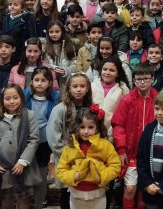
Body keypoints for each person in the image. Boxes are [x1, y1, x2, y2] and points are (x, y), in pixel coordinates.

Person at [112, 63, 159, 209]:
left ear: (153, 79)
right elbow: (118, 125)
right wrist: (121, 149)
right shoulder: (127, 100)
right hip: (131, 153)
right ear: (134, 80)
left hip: (151, 154)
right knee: (130, 188)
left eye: (146, 78)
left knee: (145, 190)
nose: (142, 82)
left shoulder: (158, 99)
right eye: (139, 79)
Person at [56, 105, 120, 209]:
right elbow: (60, 170)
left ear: (97, 127)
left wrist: (102, 176)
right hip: (76, 194)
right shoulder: (70, 147)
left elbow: (115, 165)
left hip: (98, 194)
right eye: (82, 127)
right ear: (77, 127)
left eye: (90, 127)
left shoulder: (105, 145)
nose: (86, 131)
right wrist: (73, 176)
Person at [47, 73, 93, 209]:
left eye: (82, 86)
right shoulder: (60, 109)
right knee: (67, 192)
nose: (78, 89)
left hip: (86, 159)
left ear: (87, 88)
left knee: (83, 192)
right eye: (75, 86)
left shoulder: (91, 108)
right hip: (66, 159)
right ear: (68, 89)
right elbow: (53, 138)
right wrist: (71, 155)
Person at [24, 67, 60, 209]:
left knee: (41, 176)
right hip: (27, 142)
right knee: (25, 177)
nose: (39, 83)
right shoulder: (25, 95)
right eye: (36, 80)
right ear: (31, 81)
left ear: (50, 83)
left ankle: (39, 204)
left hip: (44, 142)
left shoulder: (55, 98)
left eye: (43, 80)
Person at [0, 0, 37, 64]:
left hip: (19, 53)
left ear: (22, 8)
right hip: (5, 52)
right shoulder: (6, 18)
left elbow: (32, 37)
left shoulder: (27, 18)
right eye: (10, 4)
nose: (12, 7)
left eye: (16, 5)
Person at [42, 20, 77, 87]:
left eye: (57, 31)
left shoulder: (69, 45)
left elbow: (74, 64)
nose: (54, 34)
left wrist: (65, 71)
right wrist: (51, 69)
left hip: (65, 82)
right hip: (49, 81)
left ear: (62, 32)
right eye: (51, 32)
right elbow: (42, 63)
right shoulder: (44, 46)